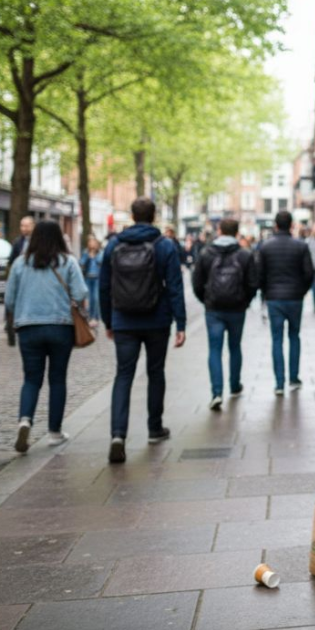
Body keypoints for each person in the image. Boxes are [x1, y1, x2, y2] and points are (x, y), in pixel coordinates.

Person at [100, 198, 187, 464]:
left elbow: (104, 286)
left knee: (123, 375)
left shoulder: (114, 244)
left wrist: (108, 321)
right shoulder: (164, 245)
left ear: (132, 215)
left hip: (124, 320)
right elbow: (174, 285)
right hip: (156, 320)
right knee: (155, 372)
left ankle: (118, 434)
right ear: (154, 215)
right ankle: (154, 428)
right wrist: (180, 323)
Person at [5, 220, 88, 453]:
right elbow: (81, 292)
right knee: (57, 378)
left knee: (31, 378)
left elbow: (9, 299)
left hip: (28, 327)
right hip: (60, 326)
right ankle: (54, 432)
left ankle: (25, 420)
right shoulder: (68, 261)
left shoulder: (21, 263)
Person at [192, 218, 258, 410]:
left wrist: (206, 300)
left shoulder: (206, 253)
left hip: (214, 309)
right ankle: (235, 385)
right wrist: (245, 301)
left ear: (219, 231)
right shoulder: (244, 255)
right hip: (237, 308)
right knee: (235, 347)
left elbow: (197, 282)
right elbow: (252, 283)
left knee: (214, 349)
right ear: (237, 232)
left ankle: (216, 392)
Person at [257, 211, 314, 395]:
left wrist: (267, 292)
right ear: (291, 225)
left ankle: (279, 383)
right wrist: (301, 291)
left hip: (274, 299)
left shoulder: (265, 247)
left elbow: (260, 274)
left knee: (276, 339)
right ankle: (294, 378)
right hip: (295, 298)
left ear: (275, 225)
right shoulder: (301, 246)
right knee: (294, 336)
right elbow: (309, 274)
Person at [80, 235, 104, 326]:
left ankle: (95, 317)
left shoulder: (100, 253)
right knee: (88, 299)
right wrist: (88, 256)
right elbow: (81, 263)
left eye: (94, 242)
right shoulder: (85, 252)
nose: (92, 244)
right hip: (88, 278)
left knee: (96, 298)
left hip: (97, 278)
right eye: (90, 242)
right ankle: (89, 317)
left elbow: (101, 261)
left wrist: (94, 255)